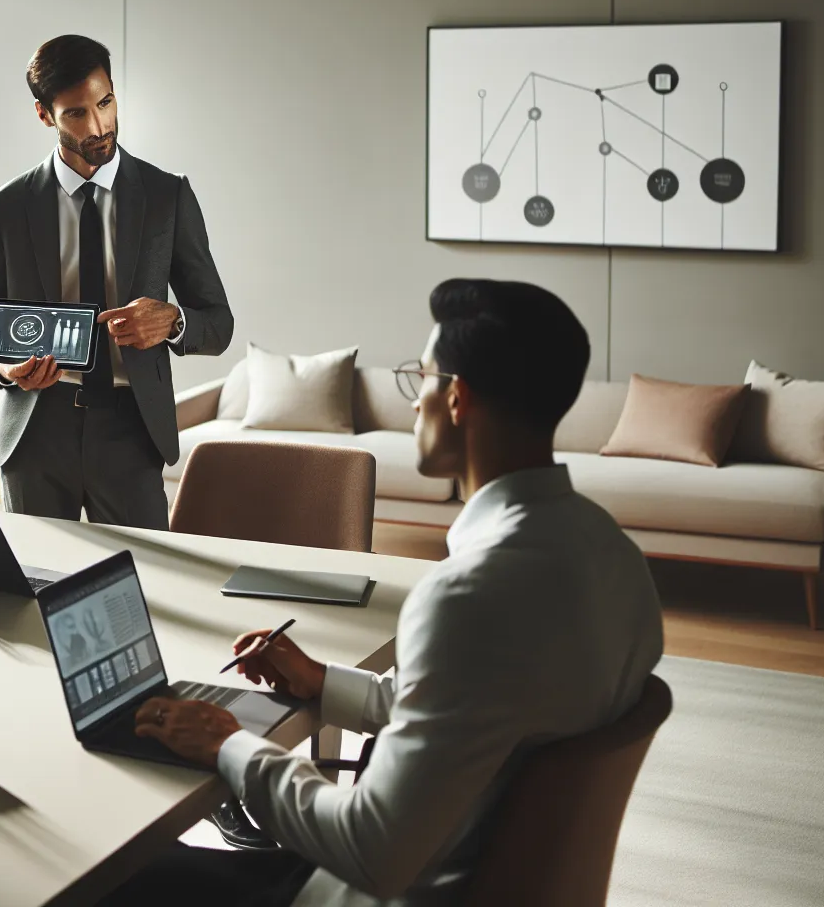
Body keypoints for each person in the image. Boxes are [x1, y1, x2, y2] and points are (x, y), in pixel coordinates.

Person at [110, 279, 665, 906]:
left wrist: (227, 742)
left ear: (457, 399)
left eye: (420, 379)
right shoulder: (612, 554)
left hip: (386, 892)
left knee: (114, 874)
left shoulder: (467, 595)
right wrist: (324, 681)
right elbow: (484, 706)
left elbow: (369, 848)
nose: (413, 403)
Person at [0, 35, 232, 529]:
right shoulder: (4, 206)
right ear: (45, 115)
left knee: (145, 586)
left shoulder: (167, 197)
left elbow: (219, 323)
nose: (99, 125)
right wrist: (5, 368)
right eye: (77, 114)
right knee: (35, 591)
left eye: (105, 103)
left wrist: (171, 322)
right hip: (36, 429)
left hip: (131, 427)